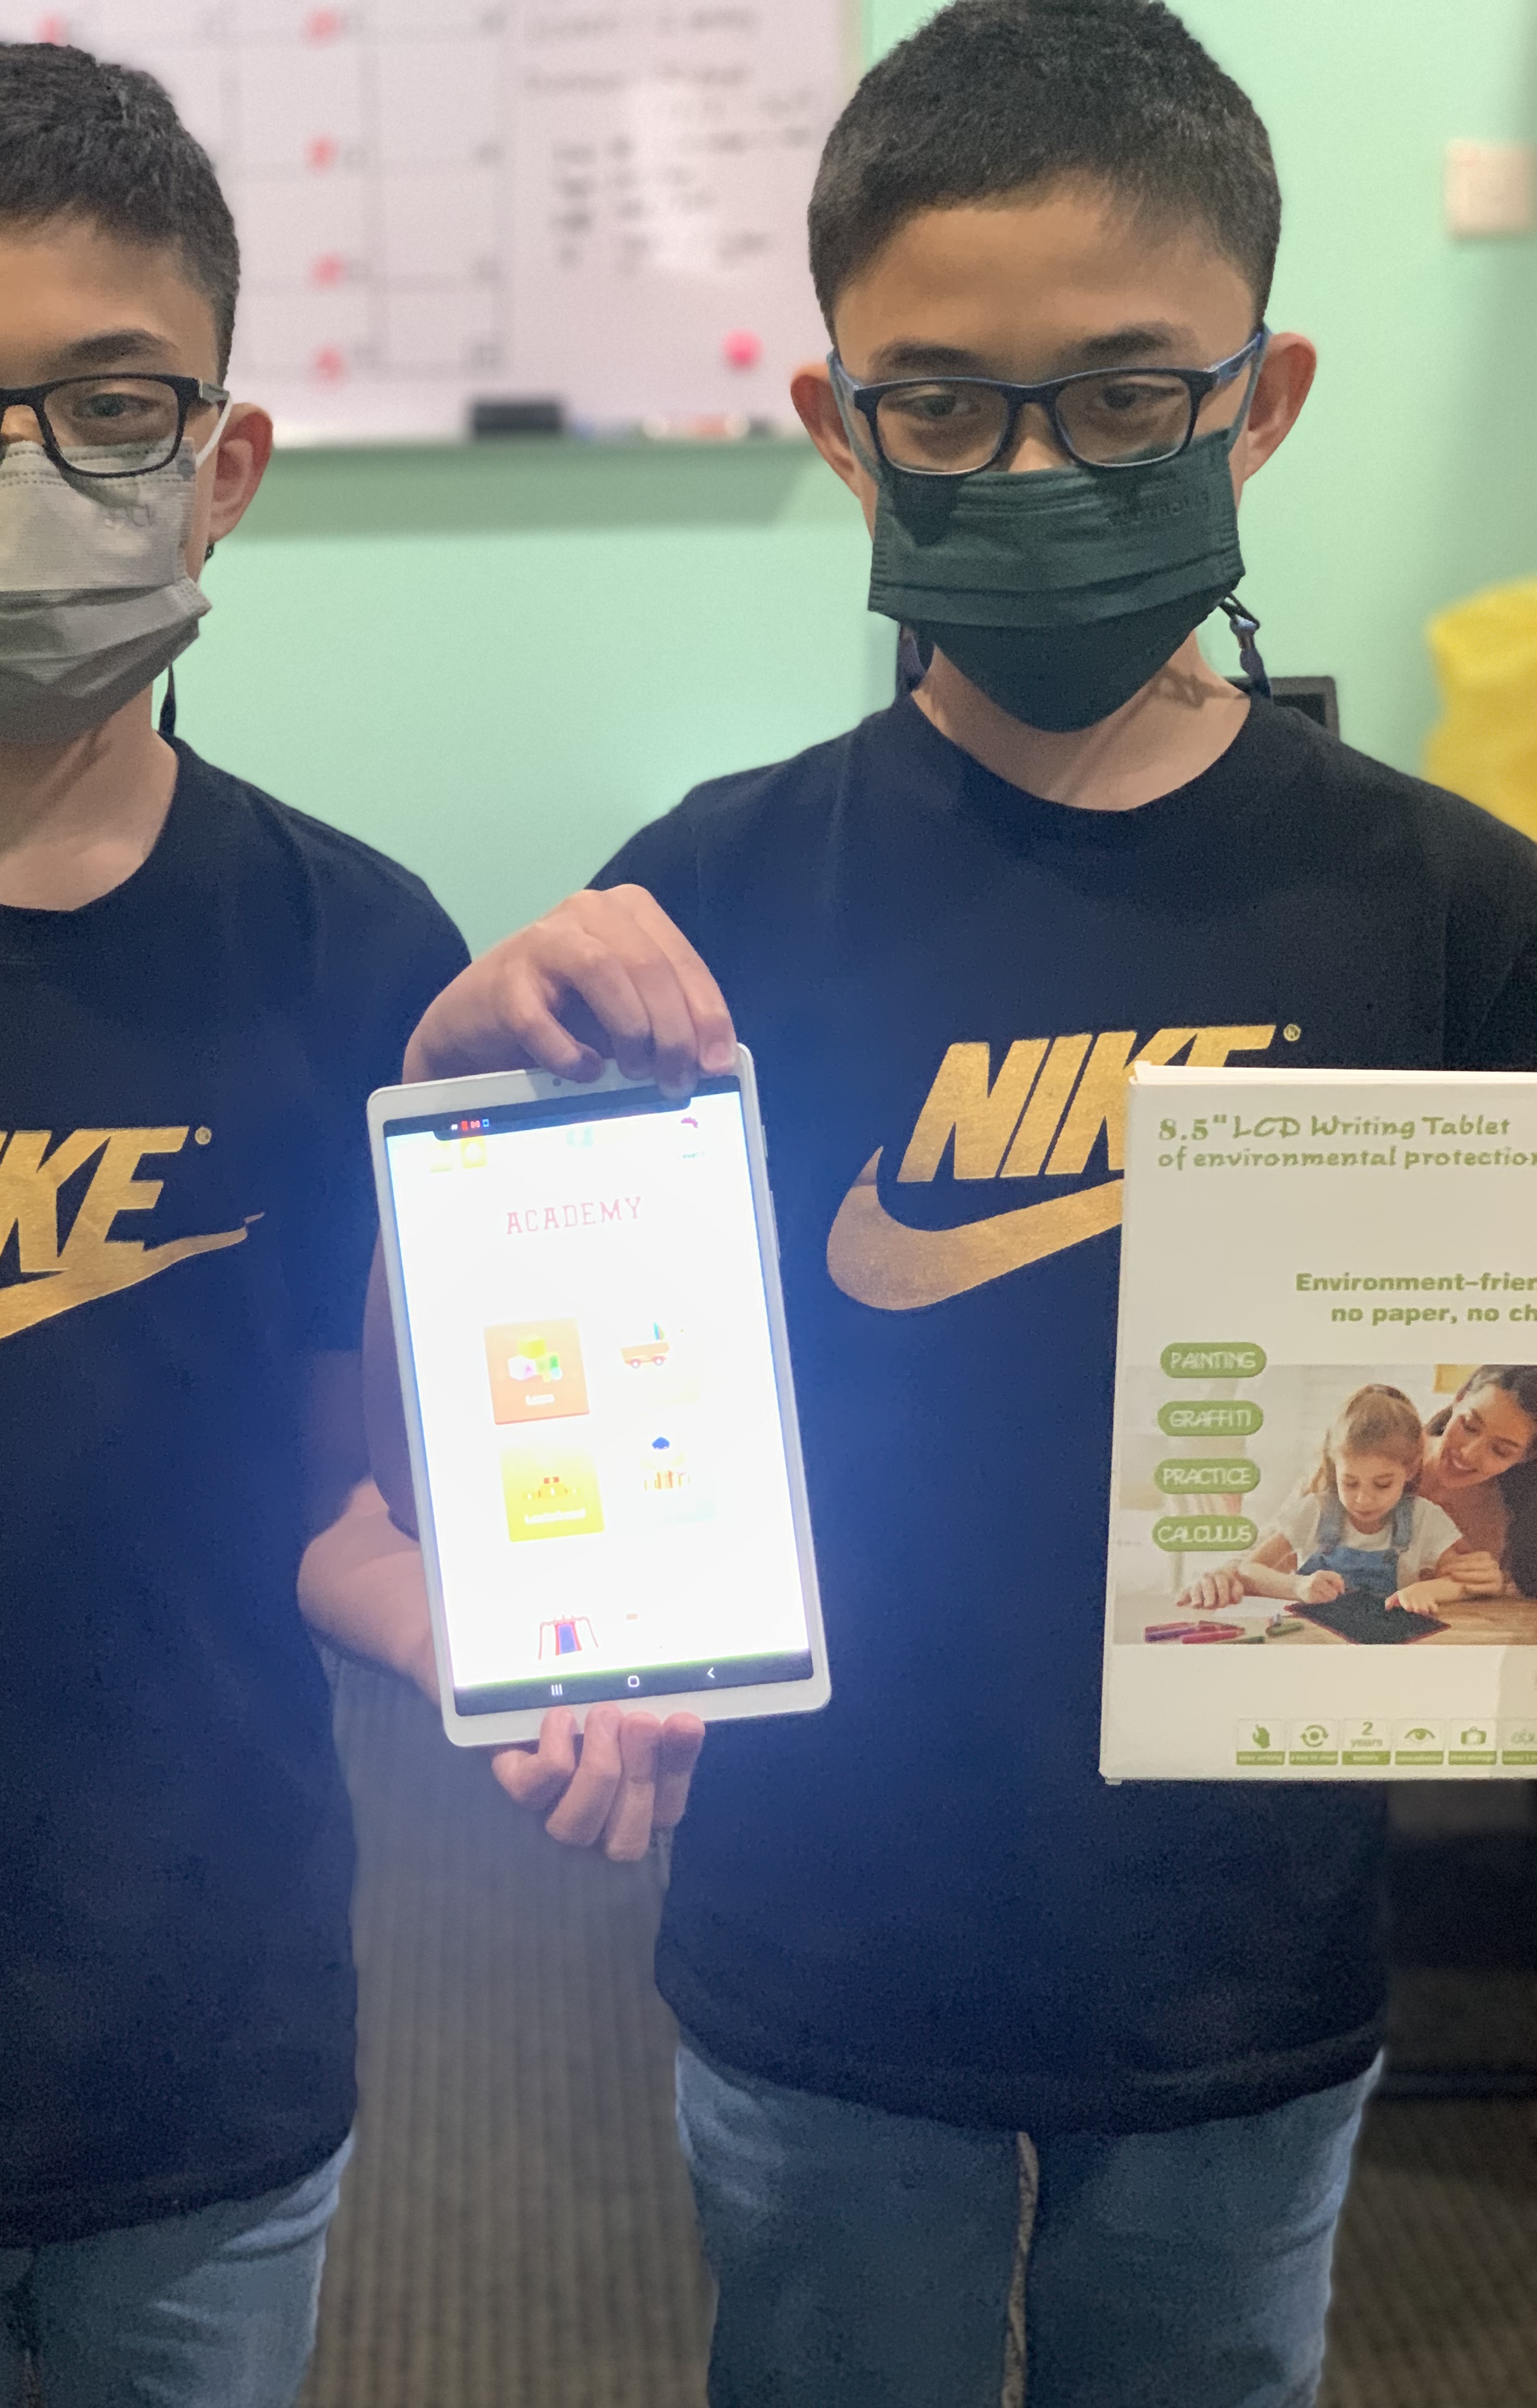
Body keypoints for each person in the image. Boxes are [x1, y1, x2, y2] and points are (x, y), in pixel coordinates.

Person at [360, 3, 1537, 2401]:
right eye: (944, 405)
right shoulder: (704, 904)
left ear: (1263, 399)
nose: (1033, 464)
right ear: (837, 423)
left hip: (1246, 1961)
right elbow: (477, 1416)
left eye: (1122, 396)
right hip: (826, 1943)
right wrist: (447, 1098)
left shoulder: (1448, 909)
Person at [0, 41, 683, 2407]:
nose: (21, 475)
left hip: (200, 2045)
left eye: (109, 405)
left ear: (222, 462)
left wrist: (503, 1640)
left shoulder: (359, 951)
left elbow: (327, 1500)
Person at [1181, 1382, 1481, 1625]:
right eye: (1349, 1483)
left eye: (1382, 1484)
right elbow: (1250, 1569)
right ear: (1334, 1469)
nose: (1363, 1499)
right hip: (1310, 1637)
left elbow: (1462, 1581)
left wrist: (1427, 1589)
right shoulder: (1316, 1510)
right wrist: (1298, 1587)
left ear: (1411, 1470)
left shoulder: (1424, 1518)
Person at [1416, 1362, 1537, 1592]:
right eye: (1470, 1426)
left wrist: (1493, 1586)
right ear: (1460, 1398)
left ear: (1526, 1456)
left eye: (1500, 1451)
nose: (1469, 1453)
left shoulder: (1508, 1523)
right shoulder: (1376, 1453)